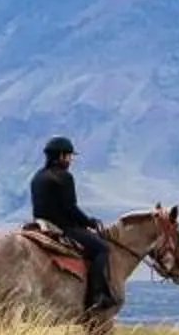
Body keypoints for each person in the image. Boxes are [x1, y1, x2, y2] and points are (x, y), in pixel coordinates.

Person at [30, 134, 115, 314]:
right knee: (102, 249)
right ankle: (98, 296)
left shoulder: (38, 176)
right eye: (68, 156)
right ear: (61, 156)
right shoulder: (64, 177)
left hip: (40, 224)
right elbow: (70, 208)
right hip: (62, 227)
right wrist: (89, 222)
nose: (69, 160)